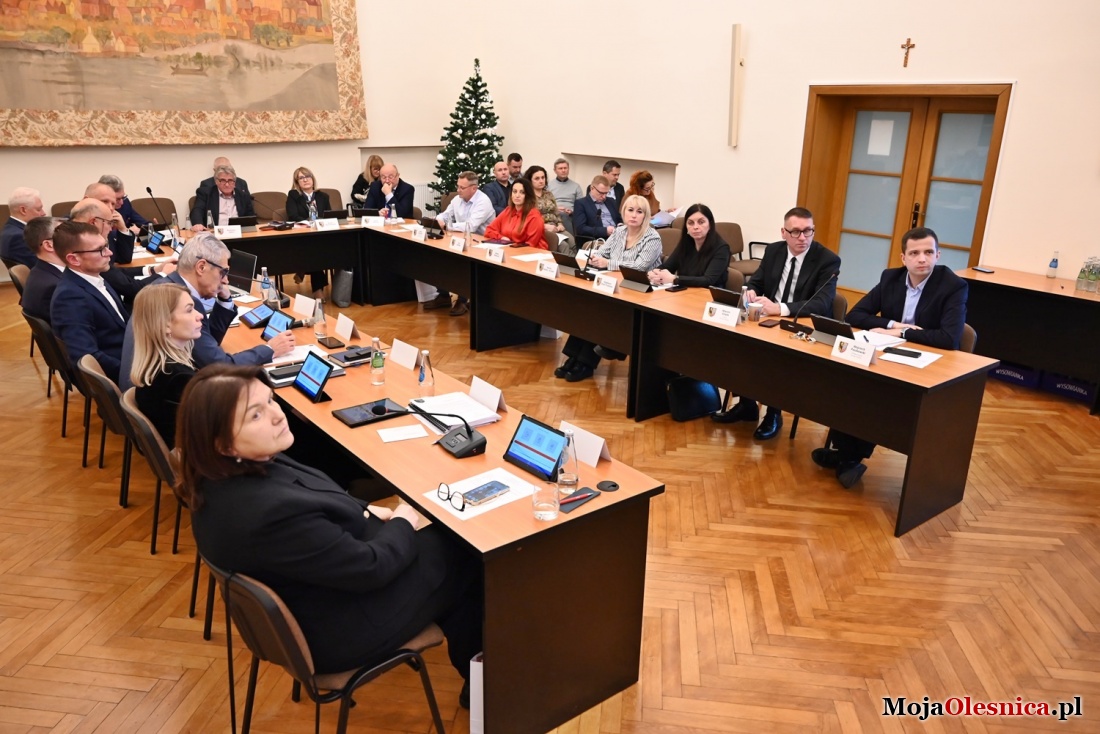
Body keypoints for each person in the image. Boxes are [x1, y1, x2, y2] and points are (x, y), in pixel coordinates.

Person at [178, 364, 483, 709]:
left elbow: (315, 497)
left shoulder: (219, 479)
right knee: (466, 550)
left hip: (325, 589)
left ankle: (476, 670)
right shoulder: (269, 513)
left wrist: (366, 508)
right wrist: (402, 519)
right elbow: (371, 569)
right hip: (344, 628)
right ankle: (487, 687)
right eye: (255, 415)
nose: (277, 415)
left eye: (271, 401)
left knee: (447, 554)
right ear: (222, 444)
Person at [812, 227, 968, 488]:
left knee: (877, 394)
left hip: (927, 363)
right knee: (847, 380)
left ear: (938, 255)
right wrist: (893, 325)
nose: (922, 259)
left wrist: (902, 332)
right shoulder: (890, 278)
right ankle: (846, 454)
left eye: (929, 252)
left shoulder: (953, 286)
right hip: (887, 354)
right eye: (914, 253)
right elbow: (855, 316)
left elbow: (949, 338)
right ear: (903, 258)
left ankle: (849, 456)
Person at [712, 207, 841, 441]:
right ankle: (747, 405)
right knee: (735, 343)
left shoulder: (827, 260)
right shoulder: (774, 251)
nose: (803, 237)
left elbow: (821, 303)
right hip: (768, 321)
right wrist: (751, 292)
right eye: (796, 232)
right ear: (784, 232)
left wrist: (779, 308)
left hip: (803, 327)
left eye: (808, 231)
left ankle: (774, 413)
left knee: (775, 356)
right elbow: (757, 282)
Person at [118, 232, 295, 391]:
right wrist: (269, 349)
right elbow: (217, 365)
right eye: (223, 272)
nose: (226, 280)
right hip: (159, 395)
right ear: (201, 267)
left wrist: (224, 300)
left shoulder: (171, 288)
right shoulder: (178, 300)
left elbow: (208, 342)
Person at [555, 195, 665, 382]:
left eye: (639, 212)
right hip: (616, 285)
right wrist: (594, 258)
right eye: (630, 210)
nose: (634, 215)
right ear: (623, 212)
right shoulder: (620, 231)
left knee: (602, 312)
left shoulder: (652, 237)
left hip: (640, 292)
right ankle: (573, 357)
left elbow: (640, 266)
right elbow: (602, 252)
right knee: (589, 306)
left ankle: (585, 363)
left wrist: (608, 263)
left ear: (646, 215)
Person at [50, 220, 129, 383]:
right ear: (74, 259)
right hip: (123, 369)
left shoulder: (94, 277)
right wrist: (134, 372)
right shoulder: (70, 297)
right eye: (100, 250)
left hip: (132, 353)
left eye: (106, 246)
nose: (109, 253)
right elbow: (87, 356)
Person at [130, 284, 202, 447]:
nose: (200, 316)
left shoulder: (153, 367)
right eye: (189, 310)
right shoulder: (179, 378)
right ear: (165, 324)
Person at [424, 171, 497, 313]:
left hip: (482, 243)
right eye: (458, 186)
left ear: (474, 188)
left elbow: (471, 226)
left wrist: (447, 226)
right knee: (438, 255)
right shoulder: (458, 199)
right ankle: (444, 295)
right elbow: (446, 215)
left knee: (462, 263)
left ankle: (462, 300)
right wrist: (437, 220)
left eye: (462, 188)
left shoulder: (483, 201)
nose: (458, 190)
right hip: (462, 239)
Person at [648, 203, 731, 290]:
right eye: (690, 223)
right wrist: (654, 273)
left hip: (709, 294)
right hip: (685, 291)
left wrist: (674, 279)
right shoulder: (686, 243)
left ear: (710, 224)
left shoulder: (722, 248)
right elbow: (668, 267)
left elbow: (708, 280)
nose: (695, 227)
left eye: (701, 222)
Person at [285, 166, 331, 299]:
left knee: (318, 248)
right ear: (297, 182)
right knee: (314, 249)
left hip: (321, 234)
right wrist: (309, 222)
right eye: (301, 178)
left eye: (307, 176)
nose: (305, 180)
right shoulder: (293, 196)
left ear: (312, 179)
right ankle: (318, 290)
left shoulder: (323, 196)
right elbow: (292, 215)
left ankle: (302, 269)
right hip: (303, 236)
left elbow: (329, 215)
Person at [19, 216, 64, 322]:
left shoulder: (41, 271)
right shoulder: (54, 286)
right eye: (67, 235)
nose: (76, 239)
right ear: (49, 245)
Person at [484, 178, 546, 250]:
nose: (517, 195)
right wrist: (501, 238)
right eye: (514, 191)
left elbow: (530, 245)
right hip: (511, 250)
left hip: (533, 252)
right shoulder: (508, 210)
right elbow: (489, 230)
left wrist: (510, 248)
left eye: (522, 192)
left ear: (528, 195)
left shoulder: (534, 216)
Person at [190, 165, 255, 231]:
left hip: (239, 233)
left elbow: (251, 217)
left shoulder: (243, 196)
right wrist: (198, 224)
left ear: (234, 182)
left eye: (230, 180)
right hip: (215, 234)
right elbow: (197, 210)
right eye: (223, 181)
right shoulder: (206, 194)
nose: (227, 184)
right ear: (216, 181)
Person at [2, 187, 47, 269]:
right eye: (38, 209)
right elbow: (42, 266)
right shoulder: (18, 237)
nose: (43, 213)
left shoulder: (11, 229)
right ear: (23, 210)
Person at [572, 175, 622, 243]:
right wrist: (605, 231)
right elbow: (581, 229)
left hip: (617, 238)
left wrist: (620, 226)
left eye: (606, 193)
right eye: (601, 193)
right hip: (598, 240)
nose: (604, 197)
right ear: (592, 188)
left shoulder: (611, 201)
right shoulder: (581, 203)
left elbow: (619, 220)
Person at [524, 165, 565, 233]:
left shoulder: (549, 194)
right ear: (530, 181)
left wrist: (560, 224)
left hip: (555, 227)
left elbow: (556, 212)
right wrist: (544, 226)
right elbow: (527, 219)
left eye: (543, 177)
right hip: (540, 228)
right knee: (561, 241)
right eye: (537, 178)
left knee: (571, 238)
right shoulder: (527, 197)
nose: (541, 181)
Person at [546, 158, 583, 234]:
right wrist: (555, 209)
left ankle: (569, 238)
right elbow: (545, 203)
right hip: (553, 214)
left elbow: (581, 205)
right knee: (562, 215)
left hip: (571, 215)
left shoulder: (576, 186)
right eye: (560, 168)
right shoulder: (548, 185)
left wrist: (572, 211)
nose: (563, 170)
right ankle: (571, 239)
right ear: (555, 170)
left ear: (568, 169)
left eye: (565, 168)